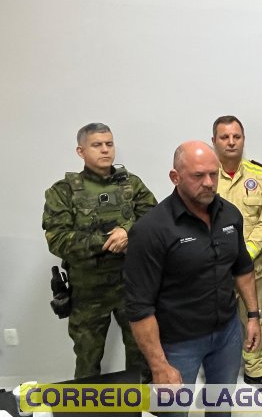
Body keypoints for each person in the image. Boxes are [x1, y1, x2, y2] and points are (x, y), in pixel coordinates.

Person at [124, 141, 261, 417]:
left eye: (213, 174)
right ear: (175, 177)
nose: (209, 183)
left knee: (221, 409)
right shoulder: (151, 229)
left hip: (227, 335)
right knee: (173, 412)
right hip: (177, 344)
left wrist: (253, 316)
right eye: (198, 176)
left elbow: (243, 268)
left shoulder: (230, 215)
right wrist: (159, 365)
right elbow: (139, 307)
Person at [42, 123, 157, 379]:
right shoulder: (63, 191)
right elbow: (58, 240)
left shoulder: (132, 185)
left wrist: (127, 231)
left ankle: (140, 400)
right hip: (88, 292)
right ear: (81, 151)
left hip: (131, 285)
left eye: (109, 144)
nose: (105, 150)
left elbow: (154, 220)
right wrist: (108, 240)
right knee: (88, 360)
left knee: (142, 355)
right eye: (97, 145)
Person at [211, 115, 262, 386]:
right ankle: (218, 375)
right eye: (224, 137)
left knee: (255, 320)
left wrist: (245, 253)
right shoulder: (203, 175)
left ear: (243, 140)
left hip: (252, 268)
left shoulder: (260, 176)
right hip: (213, 269)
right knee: (213, 324)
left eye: (236, 137)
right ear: (214, 141)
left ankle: (255, 372)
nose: (231, 142)